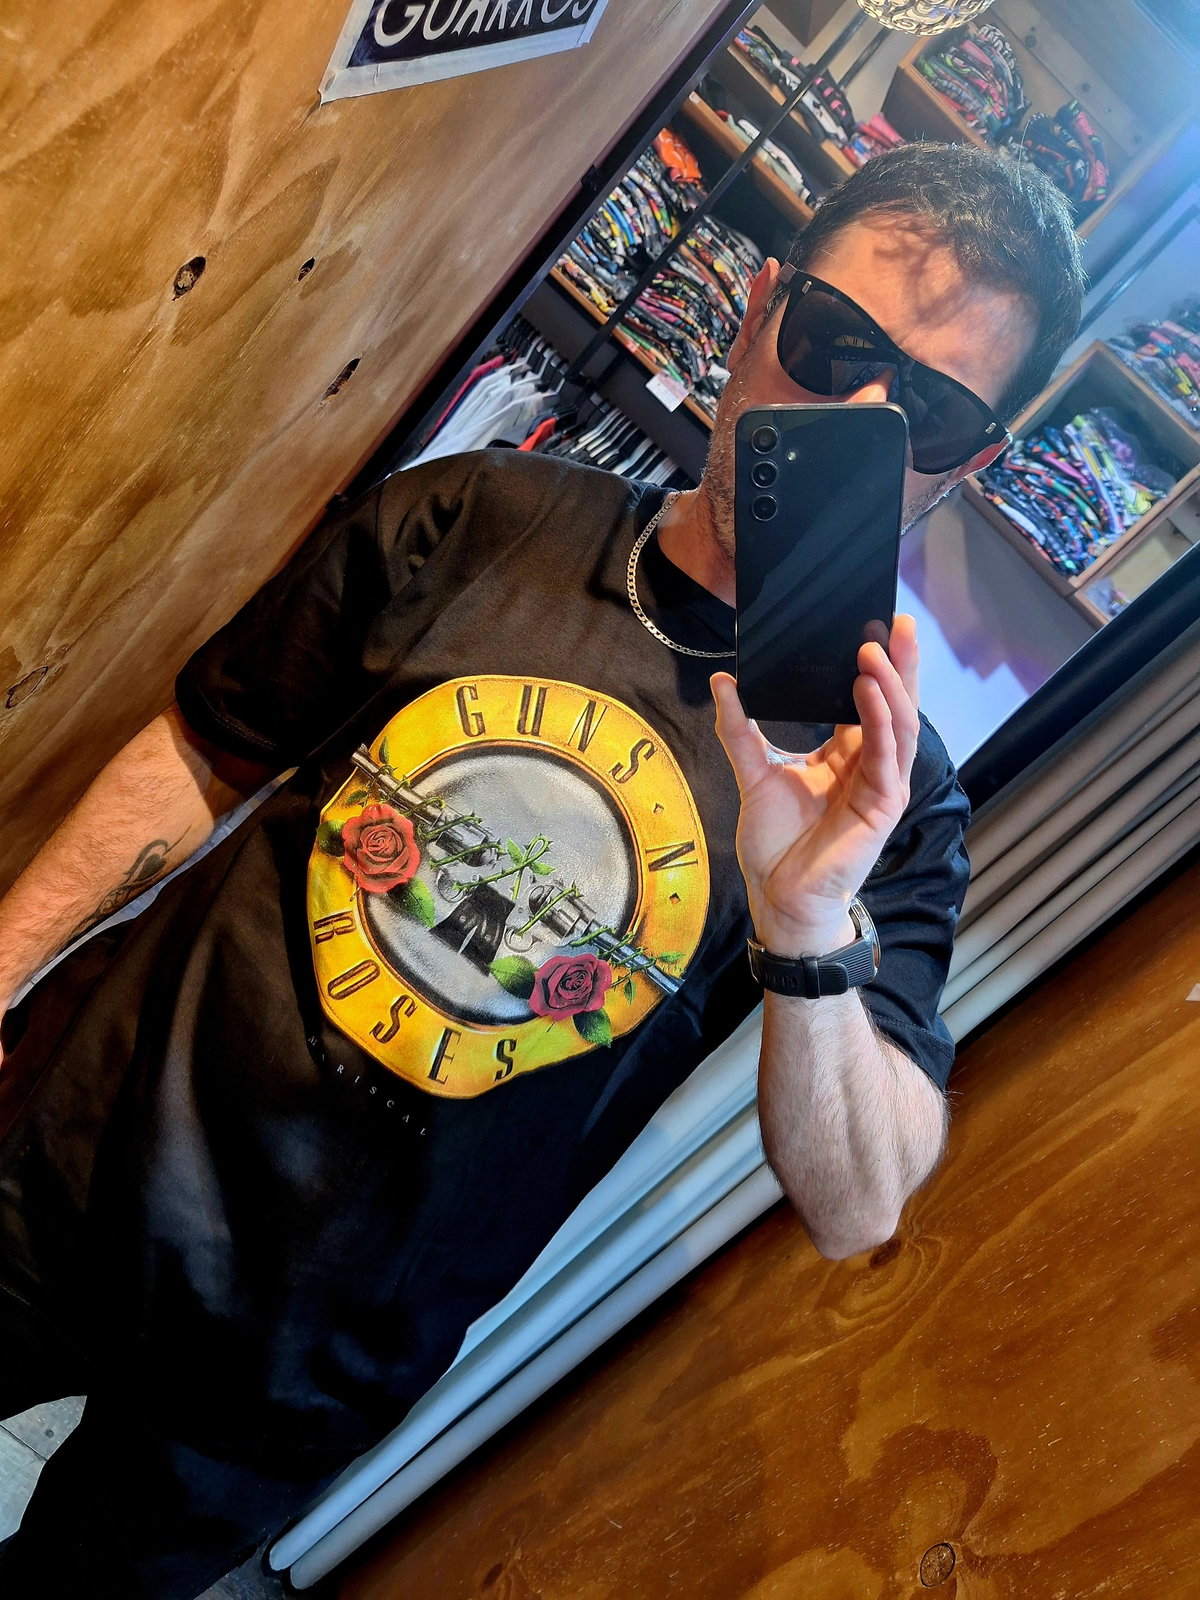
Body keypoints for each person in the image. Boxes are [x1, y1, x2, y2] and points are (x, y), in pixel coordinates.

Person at [0, 142, 1084, 1597]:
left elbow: (861, 1201)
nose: (857, 414)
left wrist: (809, 920)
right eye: (834, 341)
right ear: (757, 307)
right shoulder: (483, 518)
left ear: (972, 460)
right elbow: (210, 749)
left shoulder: (884, 793)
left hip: (301, 1373)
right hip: (68, 1183)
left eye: (931, 410)